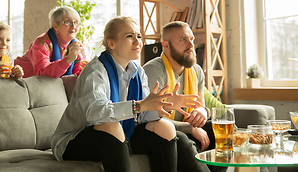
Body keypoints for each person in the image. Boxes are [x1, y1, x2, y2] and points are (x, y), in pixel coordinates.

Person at [51, 16, 201, 172]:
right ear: (111, 43)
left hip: (121, 134)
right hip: (74, 140)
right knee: (111, 125)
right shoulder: (95, 71)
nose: (137, 41)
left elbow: (143, 115)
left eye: (139, 36)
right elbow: (96, 114)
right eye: (130, 36)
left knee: (165, 127)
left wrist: (165, 105)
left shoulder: (138, 72)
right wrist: (139, 106)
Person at [143, 21, 226, 172]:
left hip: (188, 127)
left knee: (225, 132)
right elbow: (151, 119)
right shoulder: (153, 71)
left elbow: (200, 106)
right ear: (166, 45)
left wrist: (202, 112)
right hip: (166, 131)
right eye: (183, 40)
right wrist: (190, 128)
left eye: (192, 39)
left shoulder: (196, 70)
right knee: (183, 142)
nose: (190, 44)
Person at [14, 6, 84, 78]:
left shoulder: (76, 45)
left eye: (76, 22)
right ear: (55, 26)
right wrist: (68, 60)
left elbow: (76, 74)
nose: (73, 26)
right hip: (15, 79)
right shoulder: (41, 43)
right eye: (68, 22)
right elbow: (42, 74)